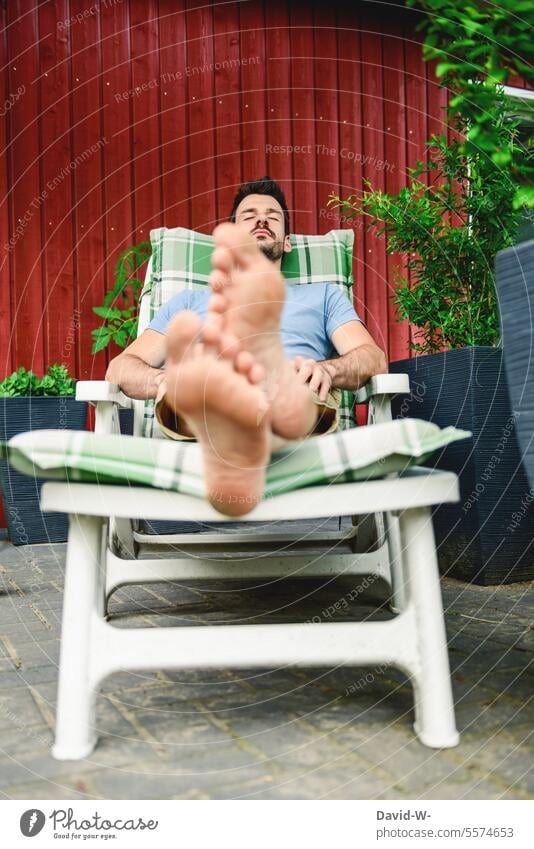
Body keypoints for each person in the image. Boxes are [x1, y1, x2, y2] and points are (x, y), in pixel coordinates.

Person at [106, 177, 387, 516]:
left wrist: (329, 369)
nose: (261, 219)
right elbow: (121, 367)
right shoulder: (190, 302)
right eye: (248, 215)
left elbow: (373, 359)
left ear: (286, 244)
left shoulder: (323, 296)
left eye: (273, 215)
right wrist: (160, 381)